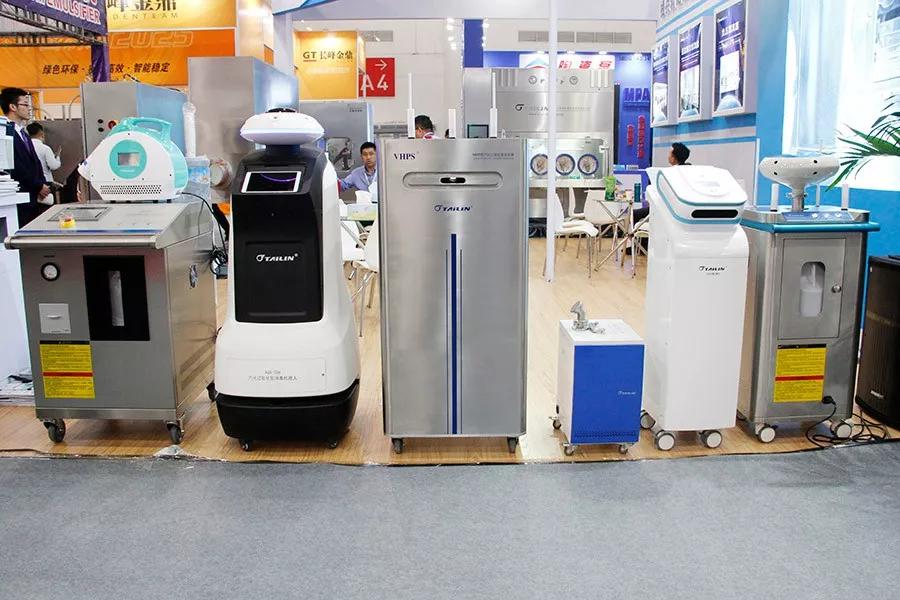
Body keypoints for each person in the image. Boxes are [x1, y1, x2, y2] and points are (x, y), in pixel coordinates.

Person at [1, 87, 50, 225]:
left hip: (33, 197)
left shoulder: (23, 133)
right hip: (20, 197)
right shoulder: (6, 133)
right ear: (12, 107)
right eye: (25, 105)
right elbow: (17, 165)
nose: (29, 109)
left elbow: (35, 162)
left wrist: (42, 183)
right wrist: (38, 186)